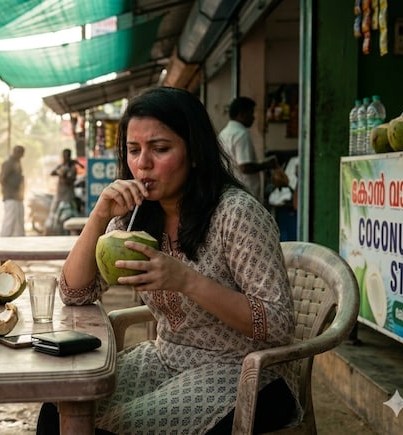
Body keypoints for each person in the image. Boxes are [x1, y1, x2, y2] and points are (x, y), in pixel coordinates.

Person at [36, 87, 298, 434]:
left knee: (121, 426)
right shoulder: (137, 216)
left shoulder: (236, 214)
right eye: (133, 150)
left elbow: (279, 324)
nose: (143, 163)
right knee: (59, 408)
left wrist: (186, 280)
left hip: (246, 371)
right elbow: (75, 293)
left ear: (193, 153)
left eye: (160, 149)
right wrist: (99, 215)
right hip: (166, 358)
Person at [218, 96, 279, 203]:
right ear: (241, 115)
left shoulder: (224, 133)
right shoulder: (241, 134)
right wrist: (266, 165)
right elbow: (245, 167)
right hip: (245, 192)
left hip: (230, 191)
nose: (253, 118)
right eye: (251, 113)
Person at [45, 148, 84, 235]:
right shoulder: (61, 166)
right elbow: (52, 173)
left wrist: (63, 175)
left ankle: (68, 233)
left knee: (69, 216)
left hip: (68, 196)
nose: (65, 157)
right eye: (64, 155)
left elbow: (70, 181)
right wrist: (60, 172)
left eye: (67, 155)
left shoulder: (72, 167)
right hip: (59, 195)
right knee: (54, 215)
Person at [0, 145, 26, 236]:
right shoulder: (9, 163)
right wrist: (11, 189)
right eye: (20, 153)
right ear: (16, 152)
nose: (22, 156)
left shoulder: (17, 163)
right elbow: (2, 179)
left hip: (18, 197)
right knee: (9, 221)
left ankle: (19, 240)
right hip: (11, 196)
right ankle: (4, 240)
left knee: (19, 221)